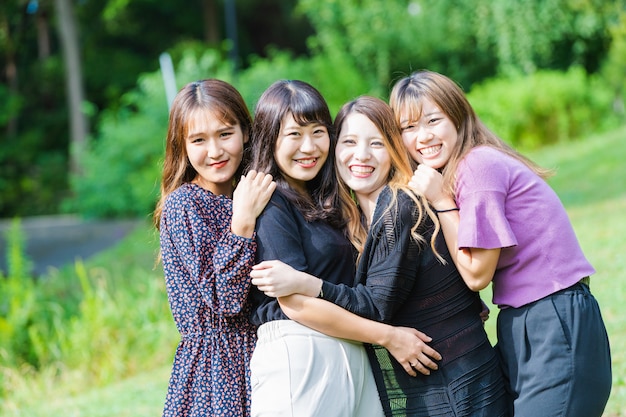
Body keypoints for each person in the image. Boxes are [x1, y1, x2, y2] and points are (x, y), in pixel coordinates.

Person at [251, 96, 510, 417]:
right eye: (349, 142)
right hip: (437, 382)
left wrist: (307, 283)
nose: (361, 155)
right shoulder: (352, 218)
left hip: (456, 385)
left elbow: (375, 305)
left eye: (376, 143)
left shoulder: (398, 203)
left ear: (394, 149)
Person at [391, 70, 612, 417]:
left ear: (458, 116)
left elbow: (477, 273)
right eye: (409, 127)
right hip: (526, 321)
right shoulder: (463, 169)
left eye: (433, 120)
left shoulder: (476, 167)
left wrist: (440, 199)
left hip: (552, 320)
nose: (423, 136)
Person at [247, 80, 441, 417]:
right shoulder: (271, 200)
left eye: (318, 132)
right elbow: (295, 304)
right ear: (270, 138)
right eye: (294, 134)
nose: (308, 147)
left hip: (349, 348)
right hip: (302, 352)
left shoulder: (329, 200)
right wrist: (388, 337)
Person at [153, 79, 276, 417]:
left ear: (245, 132)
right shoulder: (185, 205)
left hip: (268, 350)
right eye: (199, 140)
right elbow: (225, 300)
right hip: (217, 368)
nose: (215, 151)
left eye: (225, 134)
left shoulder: (253, 188)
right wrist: (243, 221)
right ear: (183, 145)